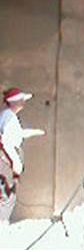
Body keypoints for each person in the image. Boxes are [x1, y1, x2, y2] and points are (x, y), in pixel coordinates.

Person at [0, 87, 45, 224]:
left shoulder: (8, 115)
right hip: (7, 158)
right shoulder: (8, 116)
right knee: (6, 192)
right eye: (20, 100)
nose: (22, 103)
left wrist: (35, 132)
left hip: (8, 157)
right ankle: (2, 221)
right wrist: (15, 165)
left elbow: (17, 135)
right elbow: (6, 140)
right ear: (13, 102)